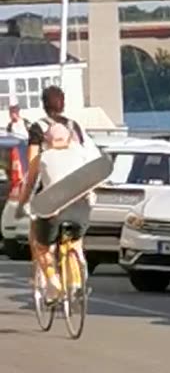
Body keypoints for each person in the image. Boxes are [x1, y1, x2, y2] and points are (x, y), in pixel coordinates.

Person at [17, 86, 100, 298]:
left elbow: (33, 166)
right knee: (75, 231)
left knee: (38, 236)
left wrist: (23, 201)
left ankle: (52, 280)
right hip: (79, 194)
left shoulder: (38, 128)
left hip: (51, 193)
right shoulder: (75, 126)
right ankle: (77, 261)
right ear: (63, 103)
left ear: (44, 104)